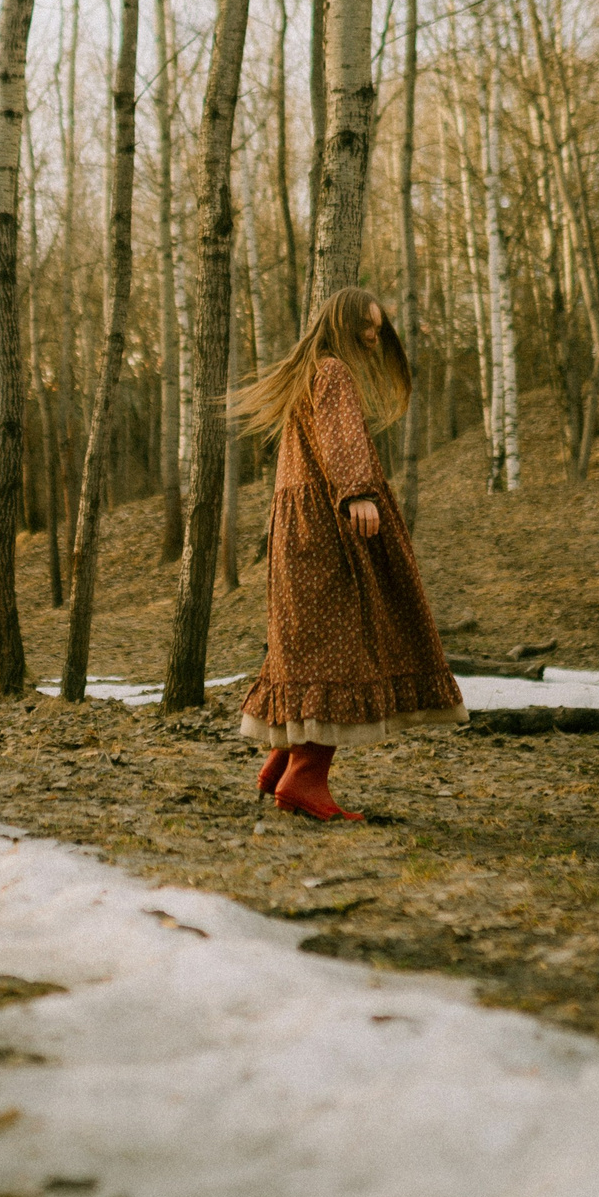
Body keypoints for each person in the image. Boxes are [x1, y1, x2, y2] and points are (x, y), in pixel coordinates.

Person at [231, 286, 465, 821]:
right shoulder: (332, 371)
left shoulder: (308, 371)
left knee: (306, 643)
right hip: (329, 527)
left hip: (299, 528)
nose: (373, 336)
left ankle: (283, 759)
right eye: (368, 326)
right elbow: (342, 440)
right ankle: (305, 779)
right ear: (342, 322)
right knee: (343, 642)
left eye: (379, 330)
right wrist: (357, 491)